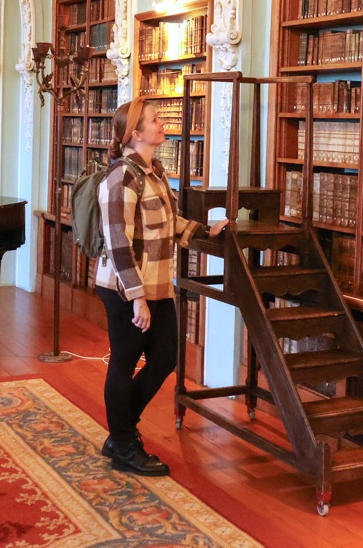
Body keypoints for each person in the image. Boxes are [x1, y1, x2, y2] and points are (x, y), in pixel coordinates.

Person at [96, 97, 227, 476]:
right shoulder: (121, 177)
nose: (161, 123)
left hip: (156, 287)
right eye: (155, 120)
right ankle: (123, 445)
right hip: (124, 289)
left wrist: (205, 231)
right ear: (136, 133)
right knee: (123, 361)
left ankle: (119, 432)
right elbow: (118, 241)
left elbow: (168, 224)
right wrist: (137, 299)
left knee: (166, 357)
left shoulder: (155, 172)